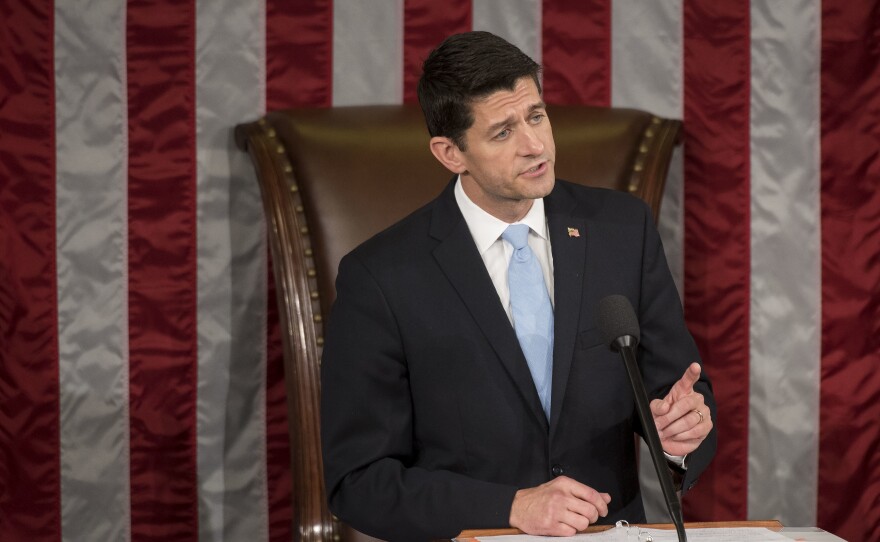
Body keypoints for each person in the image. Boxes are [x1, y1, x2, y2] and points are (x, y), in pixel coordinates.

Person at [321, 31, 716, 541]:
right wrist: (509, 507)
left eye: (536, 116)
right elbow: (359, 480)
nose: (535, 146)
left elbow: (675, 389)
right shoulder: (381, 277)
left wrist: (678, 435)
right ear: (449, 153)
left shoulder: (622, 231)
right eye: (503, 132)